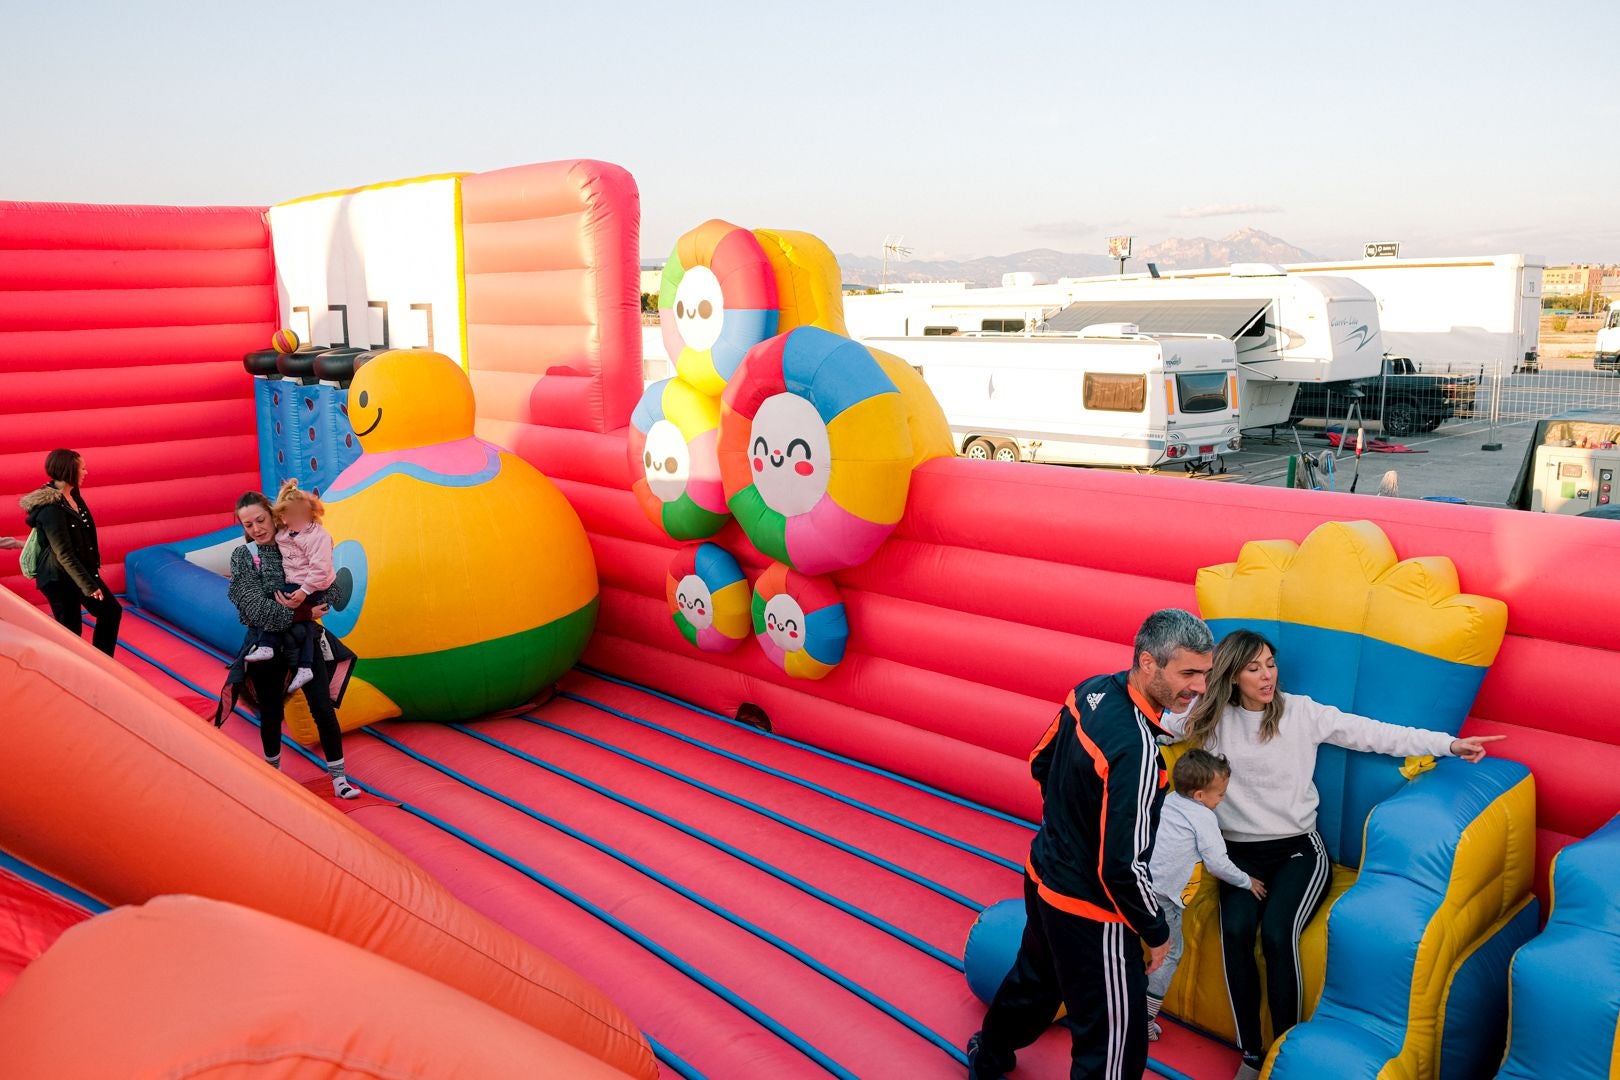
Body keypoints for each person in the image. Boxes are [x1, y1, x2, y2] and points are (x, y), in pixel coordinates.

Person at [1167, 629, 1505, 1080]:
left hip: (1297, 853)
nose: (1267, 675)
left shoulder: (1301, 712)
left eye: (1271, 663)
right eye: (1254, 668)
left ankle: (1281, 1056)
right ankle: (1252, 1052)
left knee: (1276, 934)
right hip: (1238, 856)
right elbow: (1153, 718)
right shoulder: (1209, 720)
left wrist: (1447, 744)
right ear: (1231, 676)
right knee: (1235, 932)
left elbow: (1373, 734)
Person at [969, 608, 1215, 1080]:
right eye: (1188, 673)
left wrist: (1068, 826)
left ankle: (989, 1056)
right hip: (1091, 913)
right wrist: (1157, 932)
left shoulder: (1092, 690)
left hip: (1042, 875)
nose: (1199, 687)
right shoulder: (1140, 753)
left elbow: (1040, 760)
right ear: (1148, 663)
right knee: (1114, 1046)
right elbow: (1122, 867)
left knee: (1035, 981)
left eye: (1204, 673)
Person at [223, 491, 359, 800]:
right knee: (270, 711)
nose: (256, 528)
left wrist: (322, 590)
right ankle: (272, 775)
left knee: (323, 708)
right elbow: (251, 608)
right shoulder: (245, 557)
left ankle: (339, 778)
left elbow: (332, 590)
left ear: (273, 515)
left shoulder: (298, 542)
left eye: (260, 520)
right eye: (248, 524)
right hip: (266, 645)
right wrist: (304, 612)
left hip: (305, 643)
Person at [1143, 749, 1264, 1042]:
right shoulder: (1204, 818)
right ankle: (1143, 1017)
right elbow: (1218, 864)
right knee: (1171, 952)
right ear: (1199, 795)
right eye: (1220, 795)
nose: (1222, 799)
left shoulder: (1169, 799)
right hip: (1165, 897)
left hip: (1141, 884)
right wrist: (1247, 882)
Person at [18, 449, 121, 657]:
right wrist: (89, 586)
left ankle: (103, 665)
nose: (86, 472)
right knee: (71, 631)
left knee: (111, 611)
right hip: (57, 578)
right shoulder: (51, 509)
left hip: (79, 572)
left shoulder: (73, 494)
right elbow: (63, 553)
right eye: (82, 468)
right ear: (69, 471)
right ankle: (69, 676)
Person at [243, 480, 336, 694]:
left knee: (281, 607)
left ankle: (271, 646)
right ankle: (303, 666)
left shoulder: (317, 536)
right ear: (282, 517)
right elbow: (265, 534)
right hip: (297, 583)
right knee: (292, 616)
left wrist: (303, 592)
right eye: (288, 516)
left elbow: (321, 570)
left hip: (315, 585)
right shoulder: (284, 534)